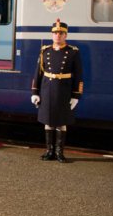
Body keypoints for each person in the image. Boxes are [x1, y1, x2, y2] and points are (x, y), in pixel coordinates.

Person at [31, 19, 84, 163]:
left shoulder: (72, 52)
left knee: (61, 121)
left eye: (61, 33)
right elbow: (38, 73)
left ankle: (60, 152)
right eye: (55, 33)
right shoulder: (45, 51)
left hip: (63, 89)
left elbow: (78, 75)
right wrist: (35, 92)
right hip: (47, 88)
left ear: (65, 35)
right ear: (52, 35)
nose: (58, 36)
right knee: (48, 120)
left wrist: (76, 95)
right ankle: (49, 151)